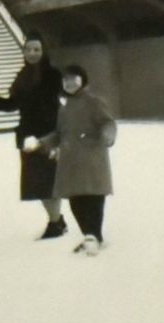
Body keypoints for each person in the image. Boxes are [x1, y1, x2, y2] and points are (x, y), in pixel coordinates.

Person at [0, 32, 67, 239]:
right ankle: (57, 220)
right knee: (37, 184)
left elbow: (62, 101)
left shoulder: (53, 75)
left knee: (48, 182)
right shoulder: (22, 76)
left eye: (36, 49)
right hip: (28, 135)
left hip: (48, 134)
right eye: (28, 49)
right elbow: (13, 104)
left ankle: (55, 223)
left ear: (43, 51)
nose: (32, 53)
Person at [33, 65, 116, 255]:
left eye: (74, 79)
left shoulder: (94, 102)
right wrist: (41, 143)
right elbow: (60, 134)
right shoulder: (65, 107)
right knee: (76, 201)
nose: (69, 83)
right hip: (70, 161)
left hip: (91, 158)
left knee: (93, 198)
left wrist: (108, 135)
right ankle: (90, 236)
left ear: (83, 80)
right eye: (66, 80)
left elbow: (108, 122)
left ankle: (93, 236)